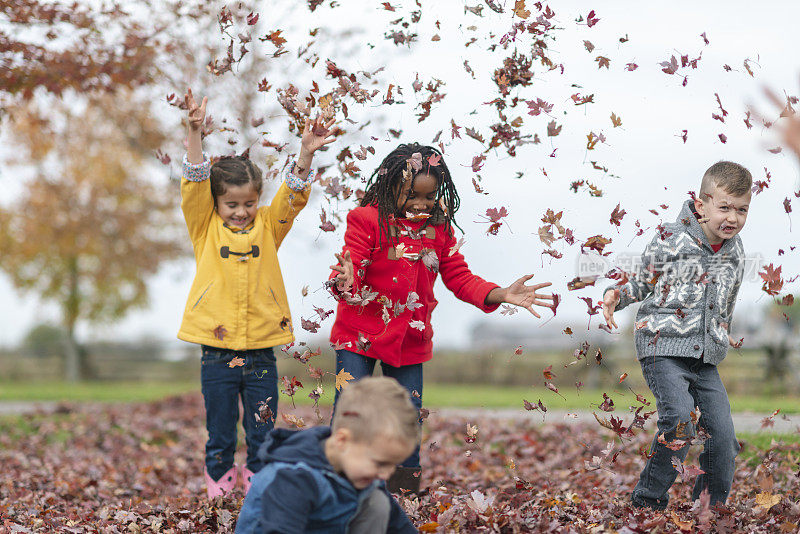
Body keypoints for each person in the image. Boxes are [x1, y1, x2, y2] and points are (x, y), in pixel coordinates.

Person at [327, 142, 554, 493]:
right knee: (349, 412)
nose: (421, 204)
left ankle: (404, 491)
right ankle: (338, 487)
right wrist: (344, 279)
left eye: (429, 197)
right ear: (390, 189)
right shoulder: (367, 219)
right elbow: (351, 262)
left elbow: (459, 278)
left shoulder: (439, 228)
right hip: (358, 335)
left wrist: (502, 294)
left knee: (408, 417)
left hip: (409, 341)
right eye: (410, 196)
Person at [179, 88, 336, 498]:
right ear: (216, 203)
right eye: (231, 203)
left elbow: (293, 197)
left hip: (262, 348)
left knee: (262, 428)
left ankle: (259, 484)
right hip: (217, 349)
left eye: (248, 203)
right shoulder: (204, 226)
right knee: (219, 428)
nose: (241, 211)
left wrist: (305, 153)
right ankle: (219, 486)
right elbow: (194, 181)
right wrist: (195, 132)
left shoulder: (269, 226)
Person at [602, 161, 752, 509]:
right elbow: (642, 279)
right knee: (680, 423)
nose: (733, 217)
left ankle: (709, 507)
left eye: (742, 210)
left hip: (705, 356)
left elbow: (726, 296)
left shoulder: (736, 250)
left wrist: (723, 327)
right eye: (724, 207)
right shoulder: (672, 237)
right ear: (702, 205)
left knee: (723, 437)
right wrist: (616, 295)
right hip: (661, 345)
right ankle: (647, 501)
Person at [235, 376, 419, 533]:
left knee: (377, 503)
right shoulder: (294, 477)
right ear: (342, 440)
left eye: (392, 465)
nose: (386, 474)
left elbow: (399, 527)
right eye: (380, 463)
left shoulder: (361, 471)